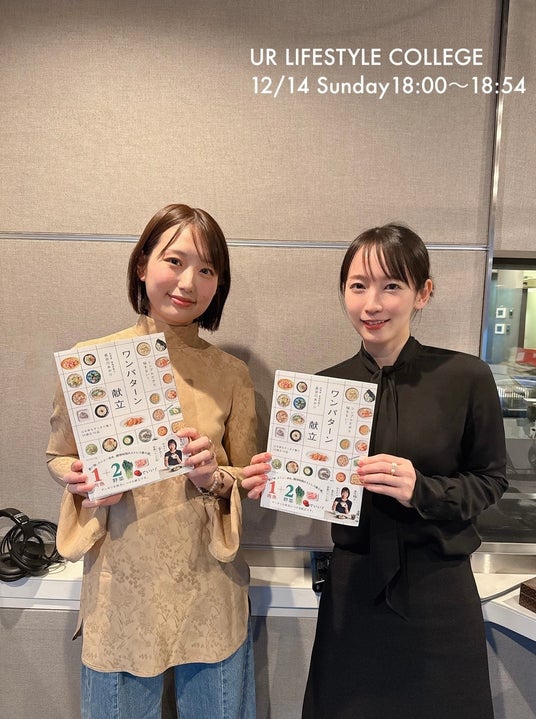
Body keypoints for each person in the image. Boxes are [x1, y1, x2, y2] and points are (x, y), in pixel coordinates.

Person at [242, 224, 507, 719]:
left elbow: (491, 480)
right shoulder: (322, 390)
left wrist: (421, 489)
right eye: (358, 286)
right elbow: (314, 491)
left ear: (422, 293)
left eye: (391, 286)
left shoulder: (466, 377)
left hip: (439, 589)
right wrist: (276, 481)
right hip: (353, 589)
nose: (372, 304)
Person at [46, 203, 268, 719]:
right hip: (122, 591)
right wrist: (80, 480)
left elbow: (248, 474)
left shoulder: (231, 373)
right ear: (143, 264)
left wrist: (215, 477)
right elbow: (59, 455)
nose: (188, 281)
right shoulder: (92, 362)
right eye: (175, 260)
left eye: (207, 269)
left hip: (210, 587)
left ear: (218, 284)